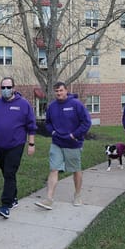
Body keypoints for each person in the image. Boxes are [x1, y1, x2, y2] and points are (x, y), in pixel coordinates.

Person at [0, 77, 37, 219]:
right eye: (3, 88)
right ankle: (13, 198)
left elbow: (31, 126)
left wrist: (31, 144)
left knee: (9, 172)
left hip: (16, 144)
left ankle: (5, 205)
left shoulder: (23, 104)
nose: (5, 90)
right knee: (7, 173)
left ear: (14, 88)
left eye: (8, 87)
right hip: (0, 145)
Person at [35, 81, 91, 210]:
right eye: (56, 91)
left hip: (73, 143)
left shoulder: (76, 104)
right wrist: (53, 132)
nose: (59, 93)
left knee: (75, 170)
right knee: (54, 168)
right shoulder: (52, 106)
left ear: (66, 91)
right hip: (57, 143)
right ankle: (49, 199)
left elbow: (86, 122)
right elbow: (48, 123)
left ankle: (77, 195)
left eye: (61, 90)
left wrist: (74, 135)